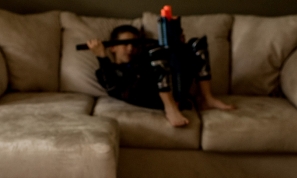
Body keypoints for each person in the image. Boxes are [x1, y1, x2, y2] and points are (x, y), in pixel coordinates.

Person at [88, 25, 235, 127]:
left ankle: (207, 98)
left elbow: (173, 67)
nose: (131, 48)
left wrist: (179, 49)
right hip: (149, 96)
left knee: (196, 43)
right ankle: (170, 108)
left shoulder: (143, 59)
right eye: (125, 44)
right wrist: (102, 56)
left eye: (134, 44)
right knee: (156, 53)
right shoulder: (106, 71)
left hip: (177, 88)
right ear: (112, 47)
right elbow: (112, 87)